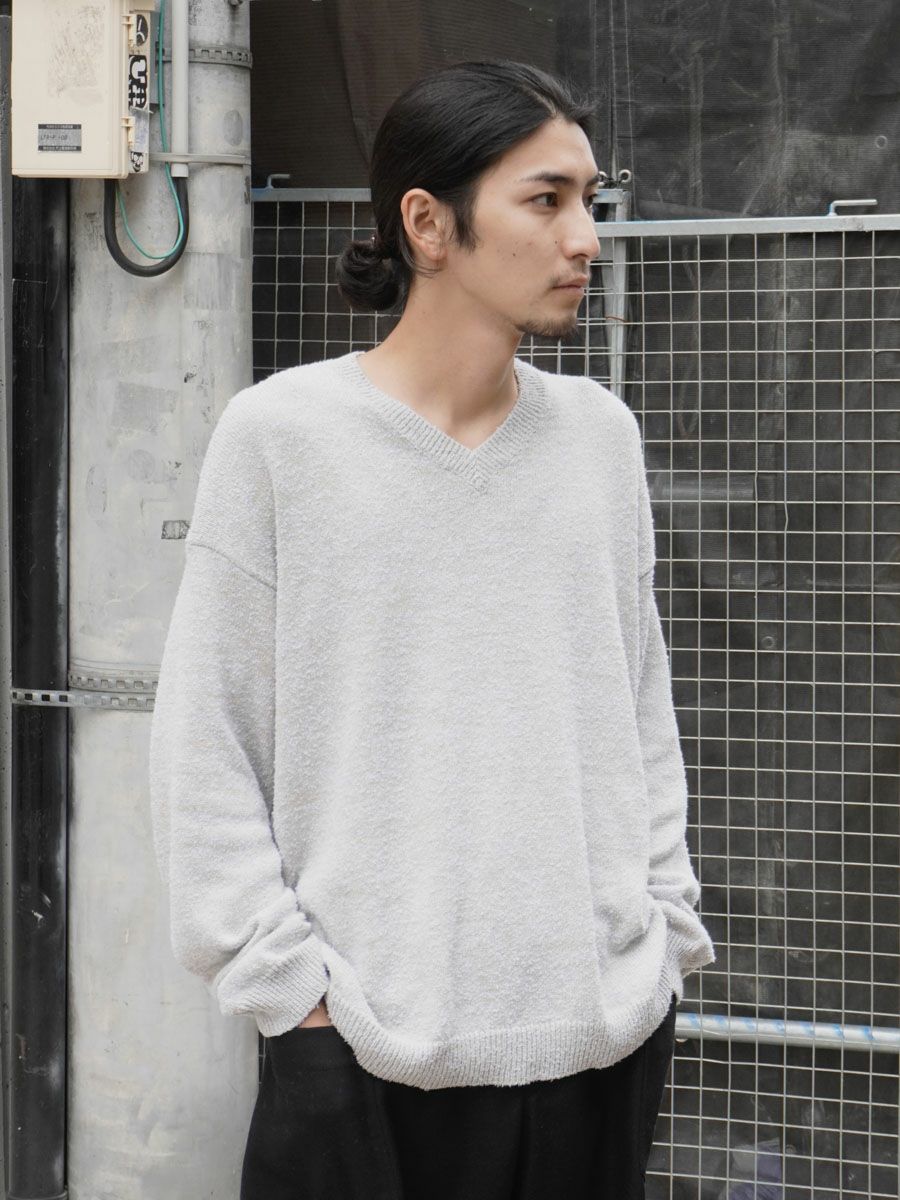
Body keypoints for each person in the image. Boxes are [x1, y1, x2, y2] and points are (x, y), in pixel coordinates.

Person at [149, 58, 716, 1200]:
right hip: (361, 1053)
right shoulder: (282, 438)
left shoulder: (600, 438)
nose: (586, 238)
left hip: (603, 1037)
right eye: (545, 199)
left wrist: (663, 932)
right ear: (427, 222)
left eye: (591, 201)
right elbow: (205, 743)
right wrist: (293, 1000)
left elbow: (637, 706)